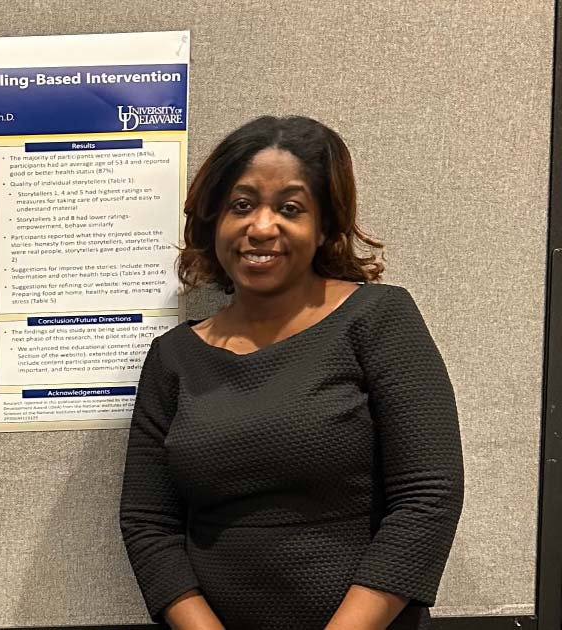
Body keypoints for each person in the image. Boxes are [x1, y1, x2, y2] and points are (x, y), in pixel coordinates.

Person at [119, 116, 463, 630]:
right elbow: (149, 523)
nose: (261, 226)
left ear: (324, 225)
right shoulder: (173, 357)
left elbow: (428, 497)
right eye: (241, 205)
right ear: (214, 219)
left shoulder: (377, 319)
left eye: (290, 208)